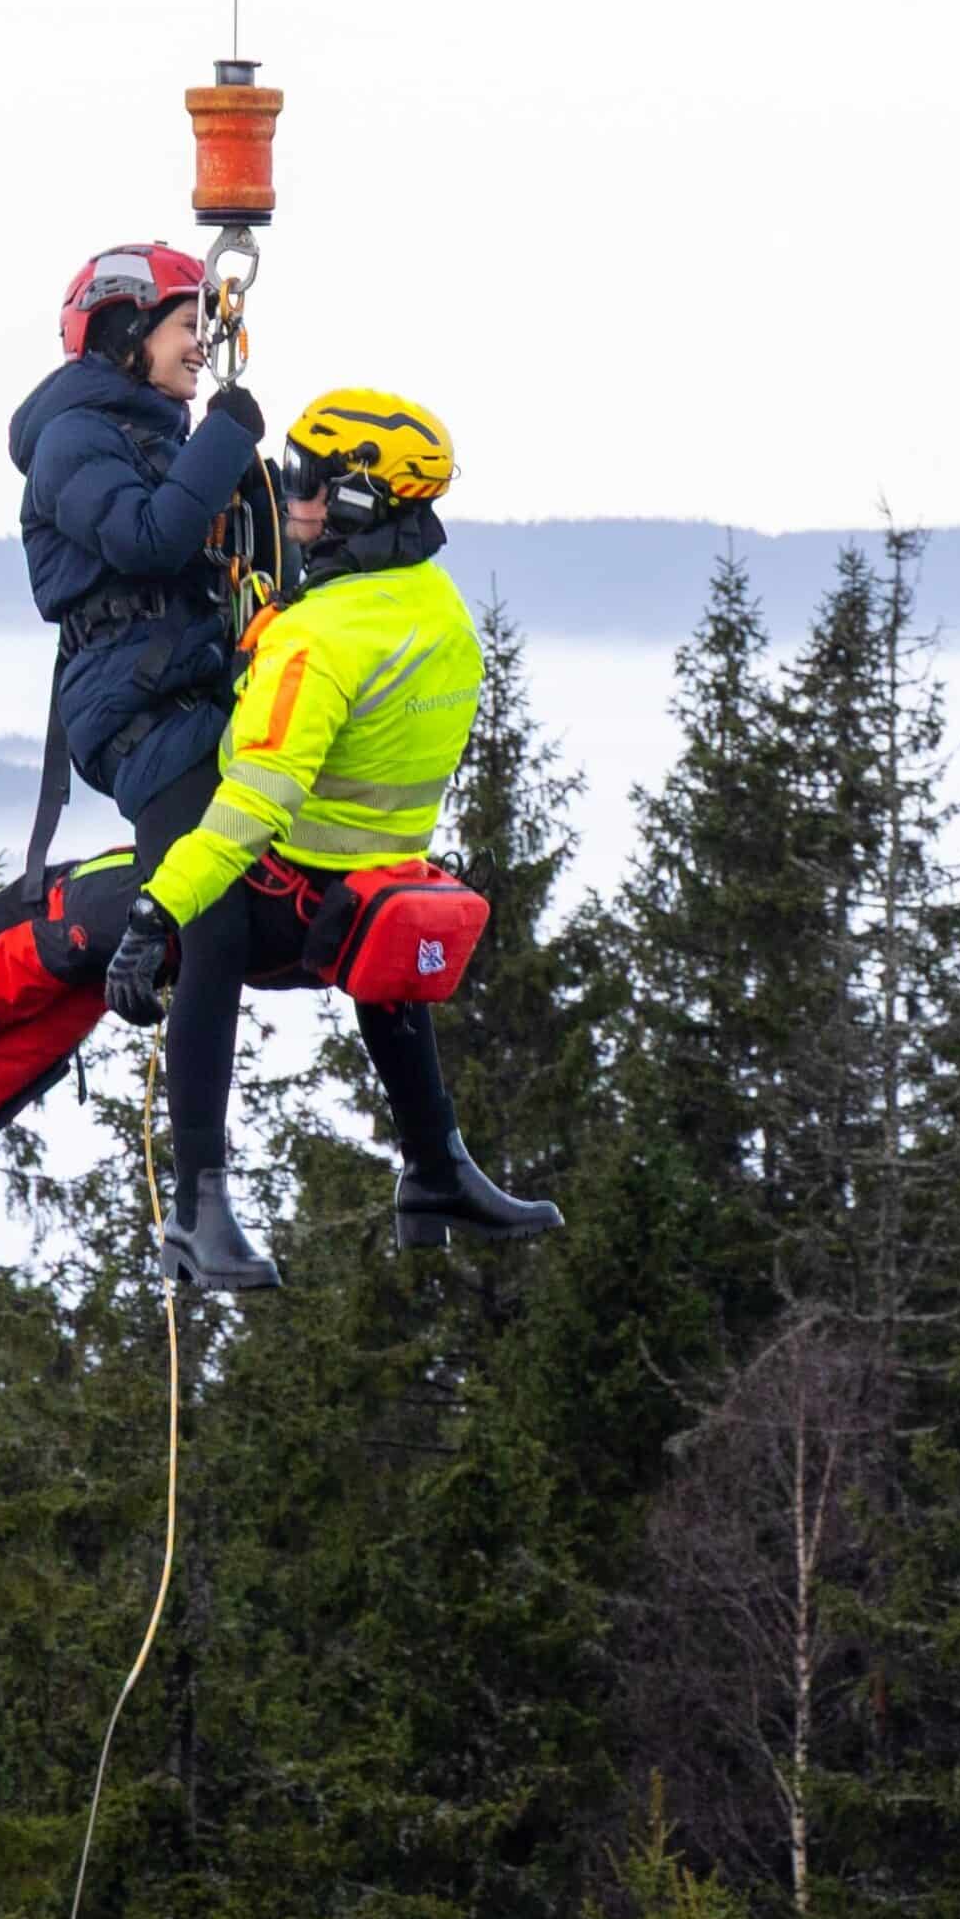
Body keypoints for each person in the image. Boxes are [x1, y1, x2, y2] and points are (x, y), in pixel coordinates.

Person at [103, 387, 558, 1289]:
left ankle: (198, 1203)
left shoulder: (316, 640)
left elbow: (247, 810)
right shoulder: (440, 613)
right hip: (372, 893)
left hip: (289, 907)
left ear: (352, 502)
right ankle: (435, 1166)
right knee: (388, 920)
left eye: (303, 479)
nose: (286, 491)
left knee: (204, 925)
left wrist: (158, 908)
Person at [12, 242, 271, 829]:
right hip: (134, 712)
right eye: (186, 326)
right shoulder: (70, 442)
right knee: (215, 893)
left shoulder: (163, 443)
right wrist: (224, 440)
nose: (201, 347)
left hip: (186, 689)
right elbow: (147, 540)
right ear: (128, 332)